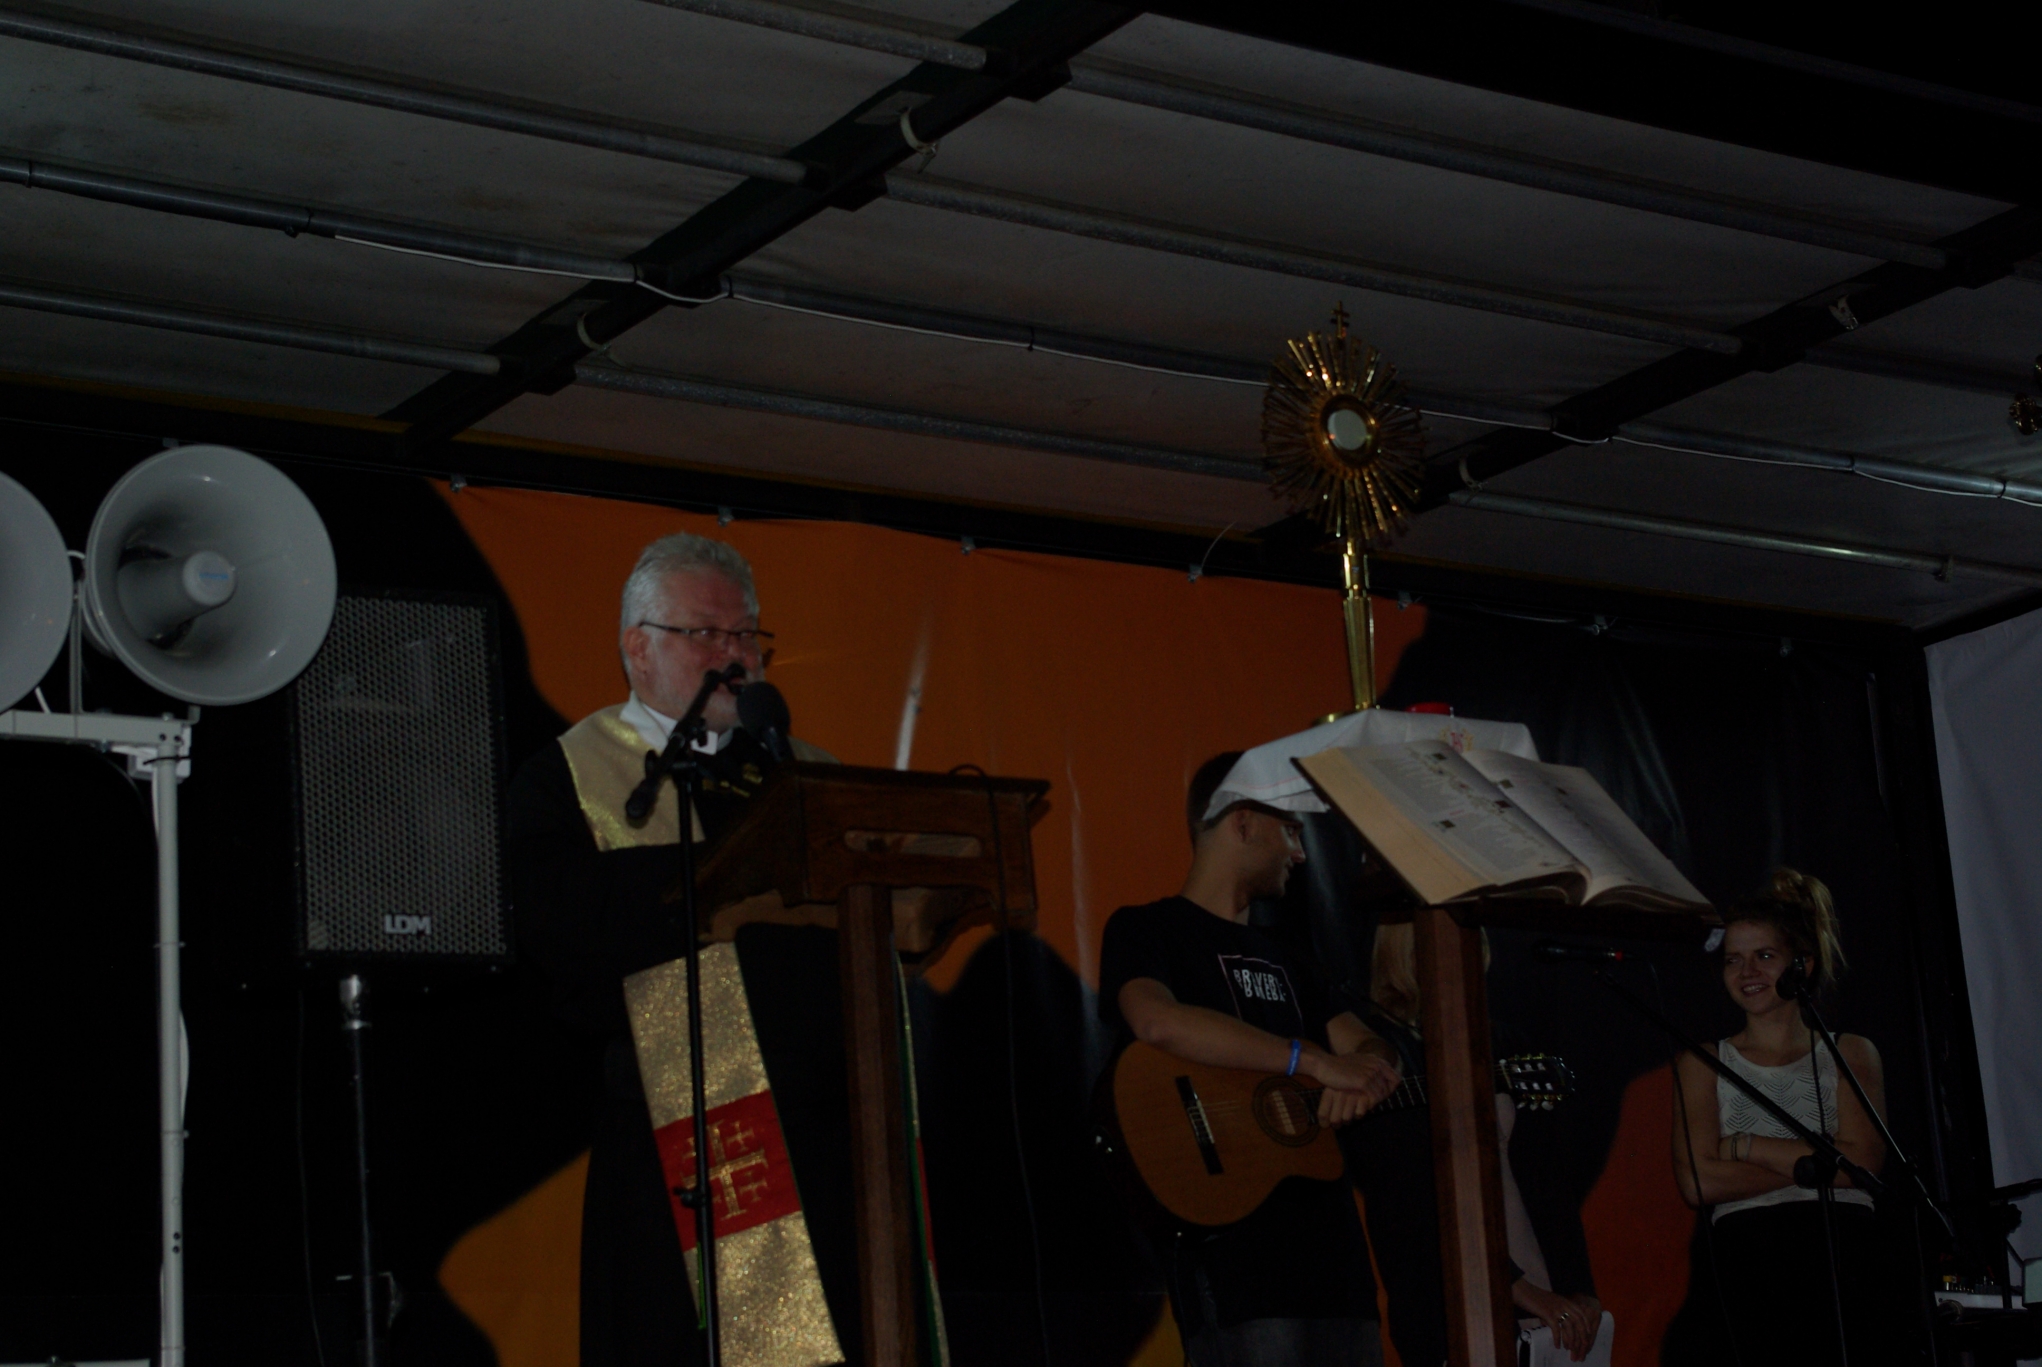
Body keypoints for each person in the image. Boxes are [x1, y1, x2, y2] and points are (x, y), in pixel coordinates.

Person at [505, 532, 839, 1367]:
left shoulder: (809, 778)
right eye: (706, 633)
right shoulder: (566, 775)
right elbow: (555, 924)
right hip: (664, 1123)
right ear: (639, 646)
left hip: (816, 1122)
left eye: (747, 635)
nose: (735, 655)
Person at [1098, 751, 1402, 1367]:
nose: (1300, 853)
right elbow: (1156, 1021)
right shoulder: (1147, 928)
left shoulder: (1291, 954)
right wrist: (1308, 1060)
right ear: (1242, 822)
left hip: (1341, 1281)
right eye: (1290, 831)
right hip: (1237, 1277)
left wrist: (1368, 1074)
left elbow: (1367, 1045)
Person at [1345, 922, 1603, 1366]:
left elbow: (1548, 1179)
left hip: (1537, 1280)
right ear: (1408, 950)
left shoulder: (1503, 1042)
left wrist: (1579, 1286)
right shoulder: (1381, 1051)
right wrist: (1517, 1288)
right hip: (1449, 1297)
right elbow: (1411, 1204)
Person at [1670, 868, 1895, 1367]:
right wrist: (1821, 1158)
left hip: (1844, 1256)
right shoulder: (1703, 1062)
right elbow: (1699, 1182)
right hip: (1750, 1263)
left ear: (1802, 966)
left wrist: (1744, 1146)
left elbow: (1863, 1165)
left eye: (1765, 956)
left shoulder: (1851, 1052)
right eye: (1733, 959)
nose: (1747, 971)